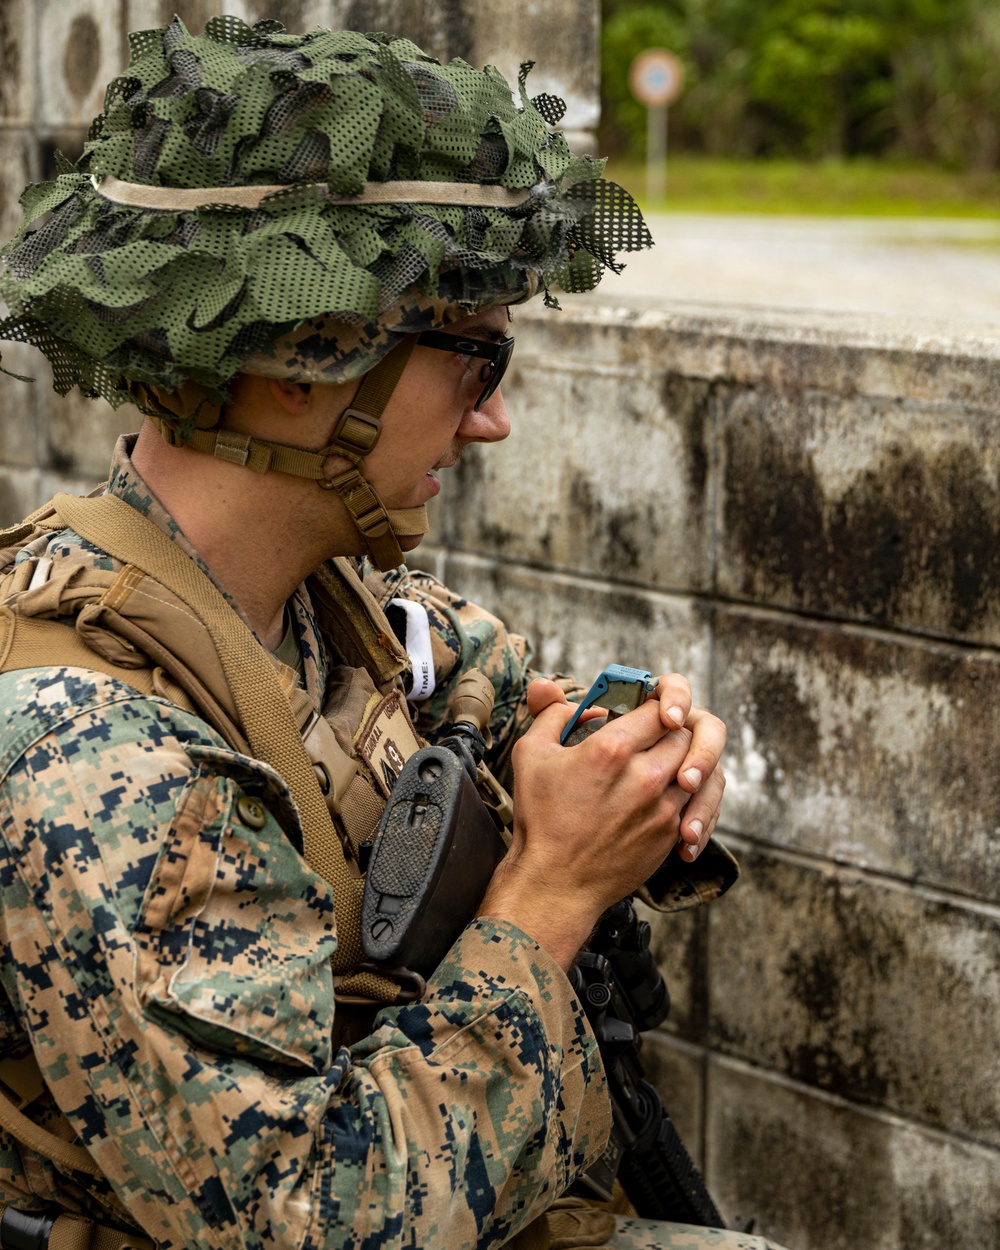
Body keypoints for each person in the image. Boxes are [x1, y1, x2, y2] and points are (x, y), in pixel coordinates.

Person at [0, 17, 786, 1250]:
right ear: (307, 359)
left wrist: (624, 774)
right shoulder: (96, 756)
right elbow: (306, 1217)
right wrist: (550, 893)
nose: (492, 422)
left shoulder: (327, 606)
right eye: (477, 361)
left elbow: (481, 684)